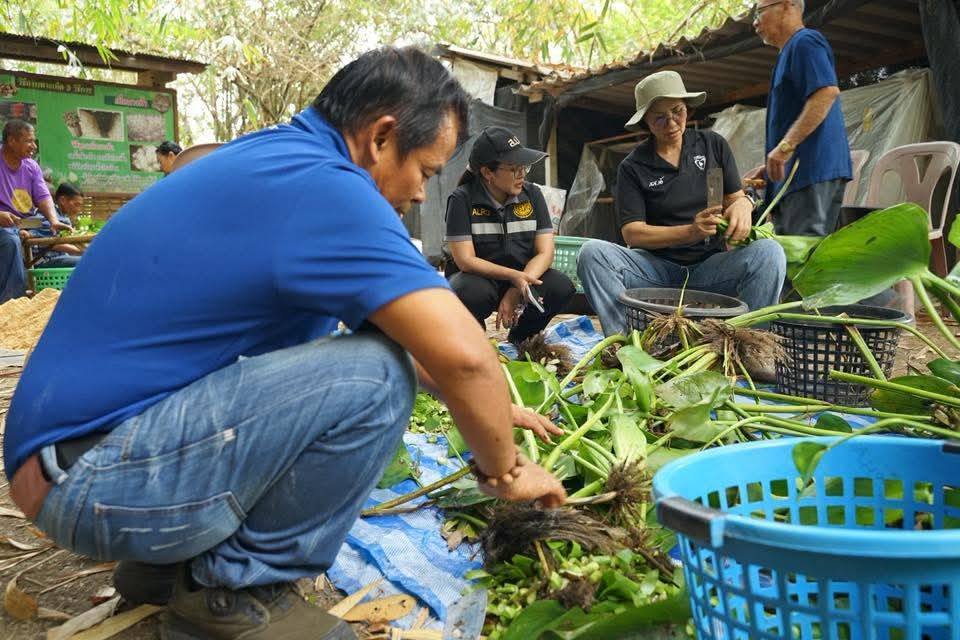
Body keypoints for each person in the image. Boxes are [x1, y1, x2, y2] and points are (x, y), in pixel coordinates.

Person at [5, 47, 566, 640]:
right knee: (377, 377)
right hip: (95, 483)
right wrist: (505, 471)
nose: (423, 193)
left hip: (67, 467)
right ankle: (236, 591)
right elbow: (464, 356)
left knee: (355, 357)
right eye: (425, 172)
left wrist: (493, 411)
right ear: (381, 137)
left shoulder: (275, 160)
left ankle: (167, 568)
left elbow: (428, 352)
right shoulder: (326, 190)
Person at [577, 71, 786, 337]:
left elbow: (733, 199)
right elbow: (633, 233)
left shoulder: (712, 146)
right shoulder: (633, 166)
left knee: (770, 252)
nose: (672, 123)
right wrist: (691, 231)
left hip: (710, 269)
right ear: (645, 122)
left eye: (677, 111)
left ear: (687, 107)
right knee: (591, 253)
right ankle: (625, 341)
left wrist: (744, 204)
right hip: (654, 271)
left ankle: (750, 342)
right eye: (659, 117)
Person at [445, 127, 575, 344]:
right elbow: (465, 260)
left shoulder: (533, 195)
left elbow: (545, 252)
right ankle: (473, 339)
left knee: (560, 286)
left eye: (524, 167)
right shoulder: (462, 199)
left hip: (522, 276)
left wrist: (517, 286)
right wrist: (513, 276)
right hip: (479, 280)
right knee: (467, 291)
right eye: (514, 169)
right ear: (488, 173)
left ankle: (522, 338)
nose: (522, 174)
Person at [747, 0, 852, 237]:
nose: (755, 22)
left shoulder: (805, 42)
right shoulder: (788, 52)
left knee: (804, 253)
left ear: (787, 5)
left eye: (759, 12)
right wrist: (772, 164)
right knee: (792, 252)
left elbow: (826, 93)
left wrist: (785, 148)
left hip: (810, 172)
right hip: (795, 177)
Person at [0, 119, 72, 302]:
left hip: (24, 223)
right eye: (29, 141)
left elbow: (43, 197)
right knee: (10, 239)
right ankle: (12, 301)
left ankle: (25, 233)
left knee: (58, 225)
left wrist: (54, 220)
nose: (34, 146)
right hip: (4, 224)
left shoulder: (31, 166)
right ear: (11, 141)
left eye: (34, 141)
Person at [20, 182, 85, 268]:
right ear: (63, 200)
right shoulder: (48, 215)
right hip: (44, 260)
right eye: (76, 204)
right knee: (86, 261)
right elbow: (49, 242)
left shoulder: (63, 217)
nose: (78, 209)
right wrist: (80, 251)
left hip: (58, 257)